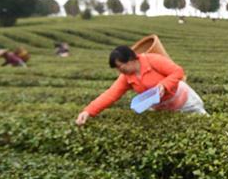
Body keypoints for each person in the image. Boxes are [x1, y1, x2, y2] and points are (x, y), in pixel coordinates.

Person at [76, 45, 206, 125]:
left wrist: (163, 85)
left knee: (202, 121)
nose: (120, 71)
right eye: (117, 68)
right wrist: (88, 111)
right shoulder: (126, 77)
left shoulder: (152, 60)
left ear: (131, 59)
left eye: (121, 67)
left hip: (182, 99)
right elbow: (110, 95)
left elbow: (178, 71)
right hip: (161, 107)